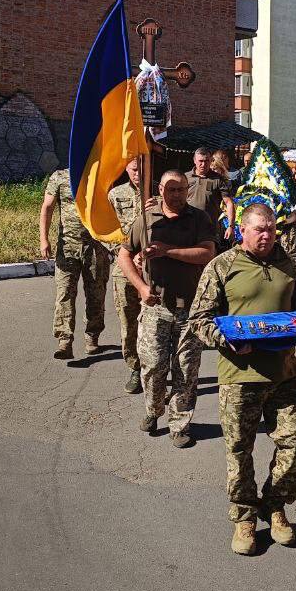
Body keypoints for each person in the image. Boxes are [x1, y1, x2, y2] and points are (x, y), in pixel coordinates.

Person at [190, 202, 296, 555]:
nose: (267, 235)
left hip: (285, 373)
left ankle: (275, 507)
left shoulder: (288, 264)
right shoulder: (222, 266)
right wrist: (226, 339)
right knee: (240, 449)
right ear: (242, 230)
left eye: (272, 229)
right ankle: (244, 516)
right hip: (240, 376)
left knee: (294, 442)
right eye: (259, 229)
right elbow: (200, 320)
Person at [118, 170, 218, 448]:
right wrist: (140, 287)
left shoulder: (199, 219)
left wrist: (166, 250)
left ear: (188, 189)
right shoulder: (146, 221)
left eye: (181, 189)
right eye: (170, 189)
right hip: (156, 307)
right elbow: (124, 255)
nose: (176, 194)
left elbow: (207, 253)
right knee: (153, 367)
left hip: (191, 310)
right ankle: (153, 409)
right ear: (160, 190)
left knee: (186, 370)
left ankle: (180, 424)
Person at [40, 167, 110, 360]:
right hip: (67, 247)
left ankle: (92, 336)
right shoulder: (60, 177)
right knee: (64, 294)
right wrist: (44, 239)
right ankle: (64, 341)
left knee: (96, 294)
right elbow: (47, 207)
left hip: (96, 246)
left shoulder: (101, 173)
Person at [108, 157, 145, 394]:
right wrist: (126, 255)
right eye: (133, 169)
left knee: (154, 321)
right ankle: (135, 367)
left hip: (155, 268)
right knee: (128, 320)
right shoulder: (115, 195)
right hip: (124, 269)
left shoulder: (160, 193)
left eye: (141, 168)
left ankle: (156, 368)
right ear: (126, 169)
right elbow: (105, 231)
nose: (138, 173)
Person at [188, 146, 236, 246]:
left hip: (210, 228)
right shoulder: (185, 178)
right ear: (194, 160)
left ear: (211, 161)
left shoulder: (218, 179)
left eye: (206, 161)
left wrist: (231, 226)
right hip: (188, 225)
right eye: (200, 161)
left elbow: (229, 203)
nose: (203, 164)